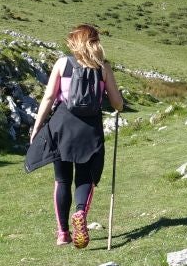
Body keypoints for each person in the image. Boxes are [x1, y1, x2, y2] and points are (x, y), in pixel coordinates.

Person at [29, 25, 126, 247]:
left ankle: (63, 233)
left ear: (75, 42)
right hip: (90, 128)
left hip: (62, 124)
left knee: (61, 179)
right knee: (85, 177)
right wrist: (120, 102)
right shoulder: (103, 68)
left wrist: (37, 126)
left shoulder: (63, 64)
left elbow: (48, 98)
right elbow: (116, 103)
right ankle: (80, 213)